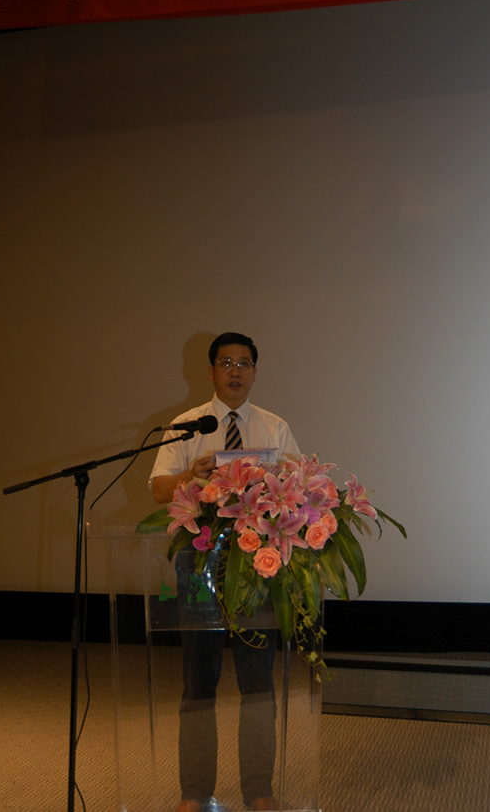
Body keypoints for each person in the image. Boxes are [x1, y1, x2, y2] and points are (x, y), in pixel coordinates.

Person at [149, 332, 299, 812]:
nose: (235, 371)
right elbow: (159, 489)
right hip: (199, 566)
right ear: (211, 370)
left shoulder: (275, 427)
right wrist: (189, 476)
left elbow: (298, 488)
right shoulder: (188, 425)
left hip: (258, 568)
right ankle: (194, 791)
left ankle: (259, 789)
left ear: (255, 372)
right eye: (226, 362)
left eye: (244, 363)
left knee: (257, 681)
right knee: (199, 680)